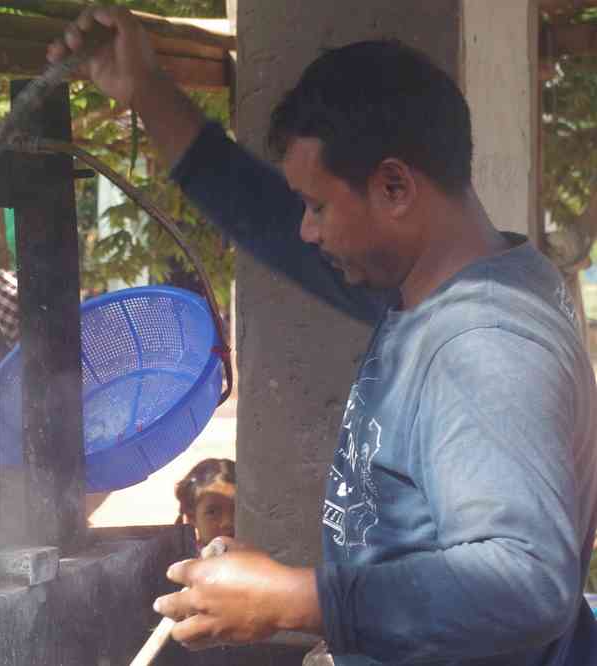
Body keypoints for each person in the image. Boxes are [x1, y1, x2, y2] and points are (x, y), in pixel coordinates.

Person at [49, 7, 597, 664]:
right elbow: (269, 221)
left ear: (394, 186)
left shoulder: (481, 345)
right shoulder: (439, 288)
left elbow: (524, 586)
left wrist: (296, 598)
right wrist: (147, 91)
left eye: (318, 206)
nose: (306, 229)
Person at [174, 458, 236, 549]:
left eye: (237, 510)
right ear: (191, 517)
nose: (227, 522)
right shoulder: (186, 562)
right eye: (212, 512)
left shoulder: (259, 557)